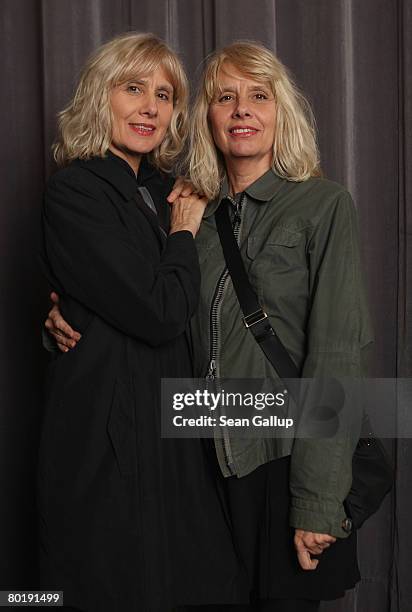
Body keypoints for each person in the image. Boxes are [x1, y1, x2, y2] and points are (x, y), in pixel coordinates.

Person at [46, 41, 374, 612]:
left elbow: (338, 355)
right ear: (206, 117)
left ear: (281, 112)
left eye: (258, 96)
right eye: (226, 97)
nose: (242, 110)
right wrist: (65, 309)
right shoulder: (187, 210)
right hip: (198, 466)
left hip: (283, 459)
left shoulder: (324, 205)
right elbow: (144, 296)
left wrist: (319, 500)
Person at [38, 32, 249, 612]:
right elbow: (155, 311)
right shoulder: (76, 191)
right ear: (99, 96)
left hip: (175, 423)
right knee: (97, 586)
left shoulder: (163, 189)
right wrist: (182, 232)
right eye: (133, 89)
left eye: (163, 94)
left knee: (196, 581)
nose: (150, 107)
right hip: (108, 434)